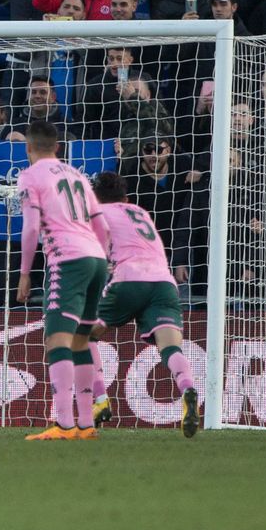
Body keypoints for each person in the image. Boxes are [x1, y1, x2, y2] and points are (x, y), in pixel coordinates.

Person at [85, 171, 200, 437]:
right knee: (170, 348)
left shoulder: (97, 214)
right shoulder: (139, 212)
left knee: (83, 337)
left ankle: (100, 401)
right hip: (164, 282)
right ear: (125, 197)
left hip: (129, 279)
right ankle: (187, 389)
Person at [15, 120, 110, 441]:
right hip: (96, 259)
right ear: (57, 147)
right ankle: (86, 425)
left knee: (57, 340)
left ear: (28, 148)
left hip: (68, 260)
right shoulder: (77, 175)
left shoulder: (30, 176)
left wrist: (25, 273)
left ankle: (64, 424)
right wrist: (104, 262)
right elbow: (102, 224)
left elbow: (30, 228)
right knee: (81, 341)